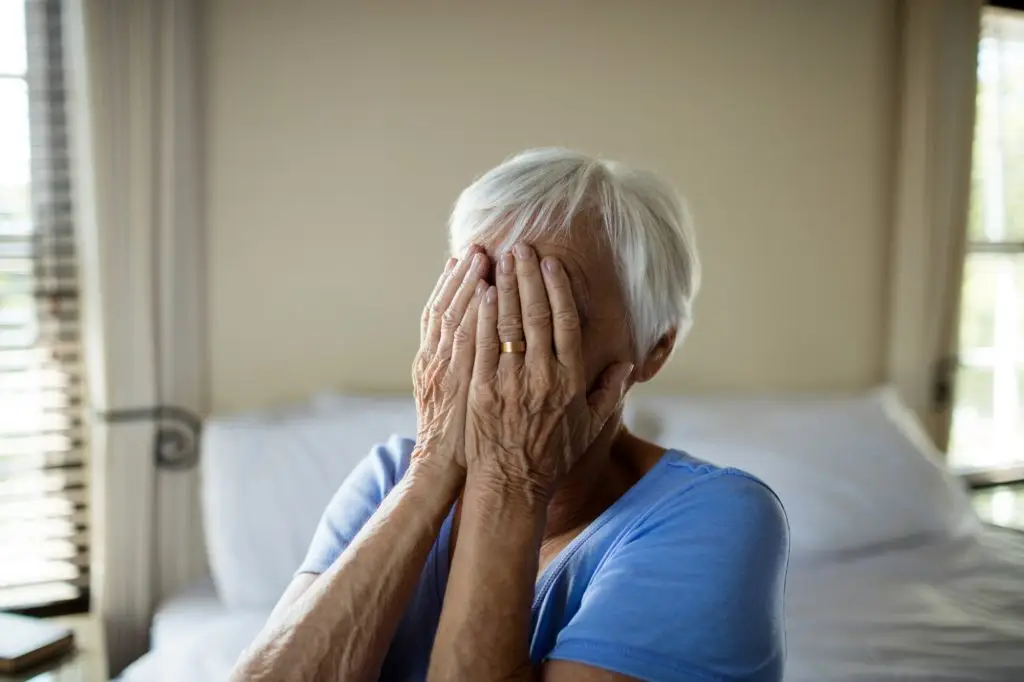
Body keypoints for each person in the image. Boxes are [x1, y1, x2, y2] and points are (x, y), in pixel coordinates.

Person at [229, 148, 789, 682]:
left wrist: (512, 477)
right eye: (482, 293)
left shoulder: (718, 517)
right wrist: (430, 470)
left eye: (547, 311)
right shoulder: (389, 477)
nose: (500, 336)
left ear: (653, 351)